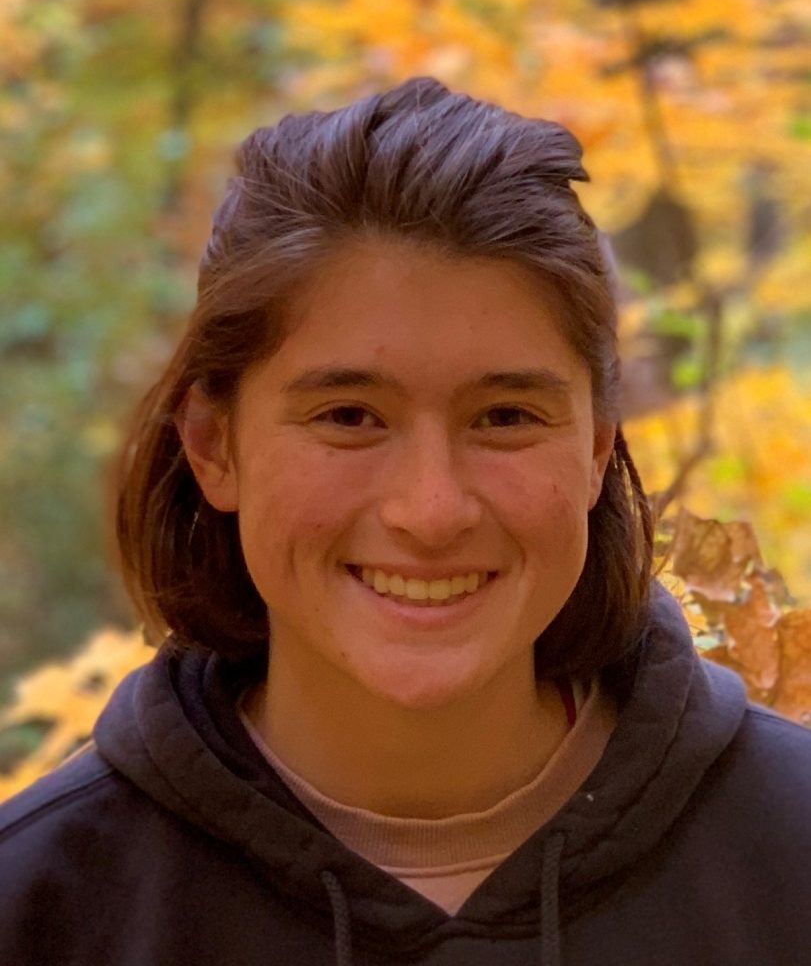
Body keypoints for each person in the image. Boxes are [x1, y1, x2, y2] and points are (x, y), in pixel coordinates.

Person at [1, 78, 809, 966]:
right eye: (349, 416)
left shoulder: (785, 855)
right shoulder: (42, 906)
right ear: (213, 445)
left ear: (593, 450)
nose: (430, 512)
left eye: (504, 417)